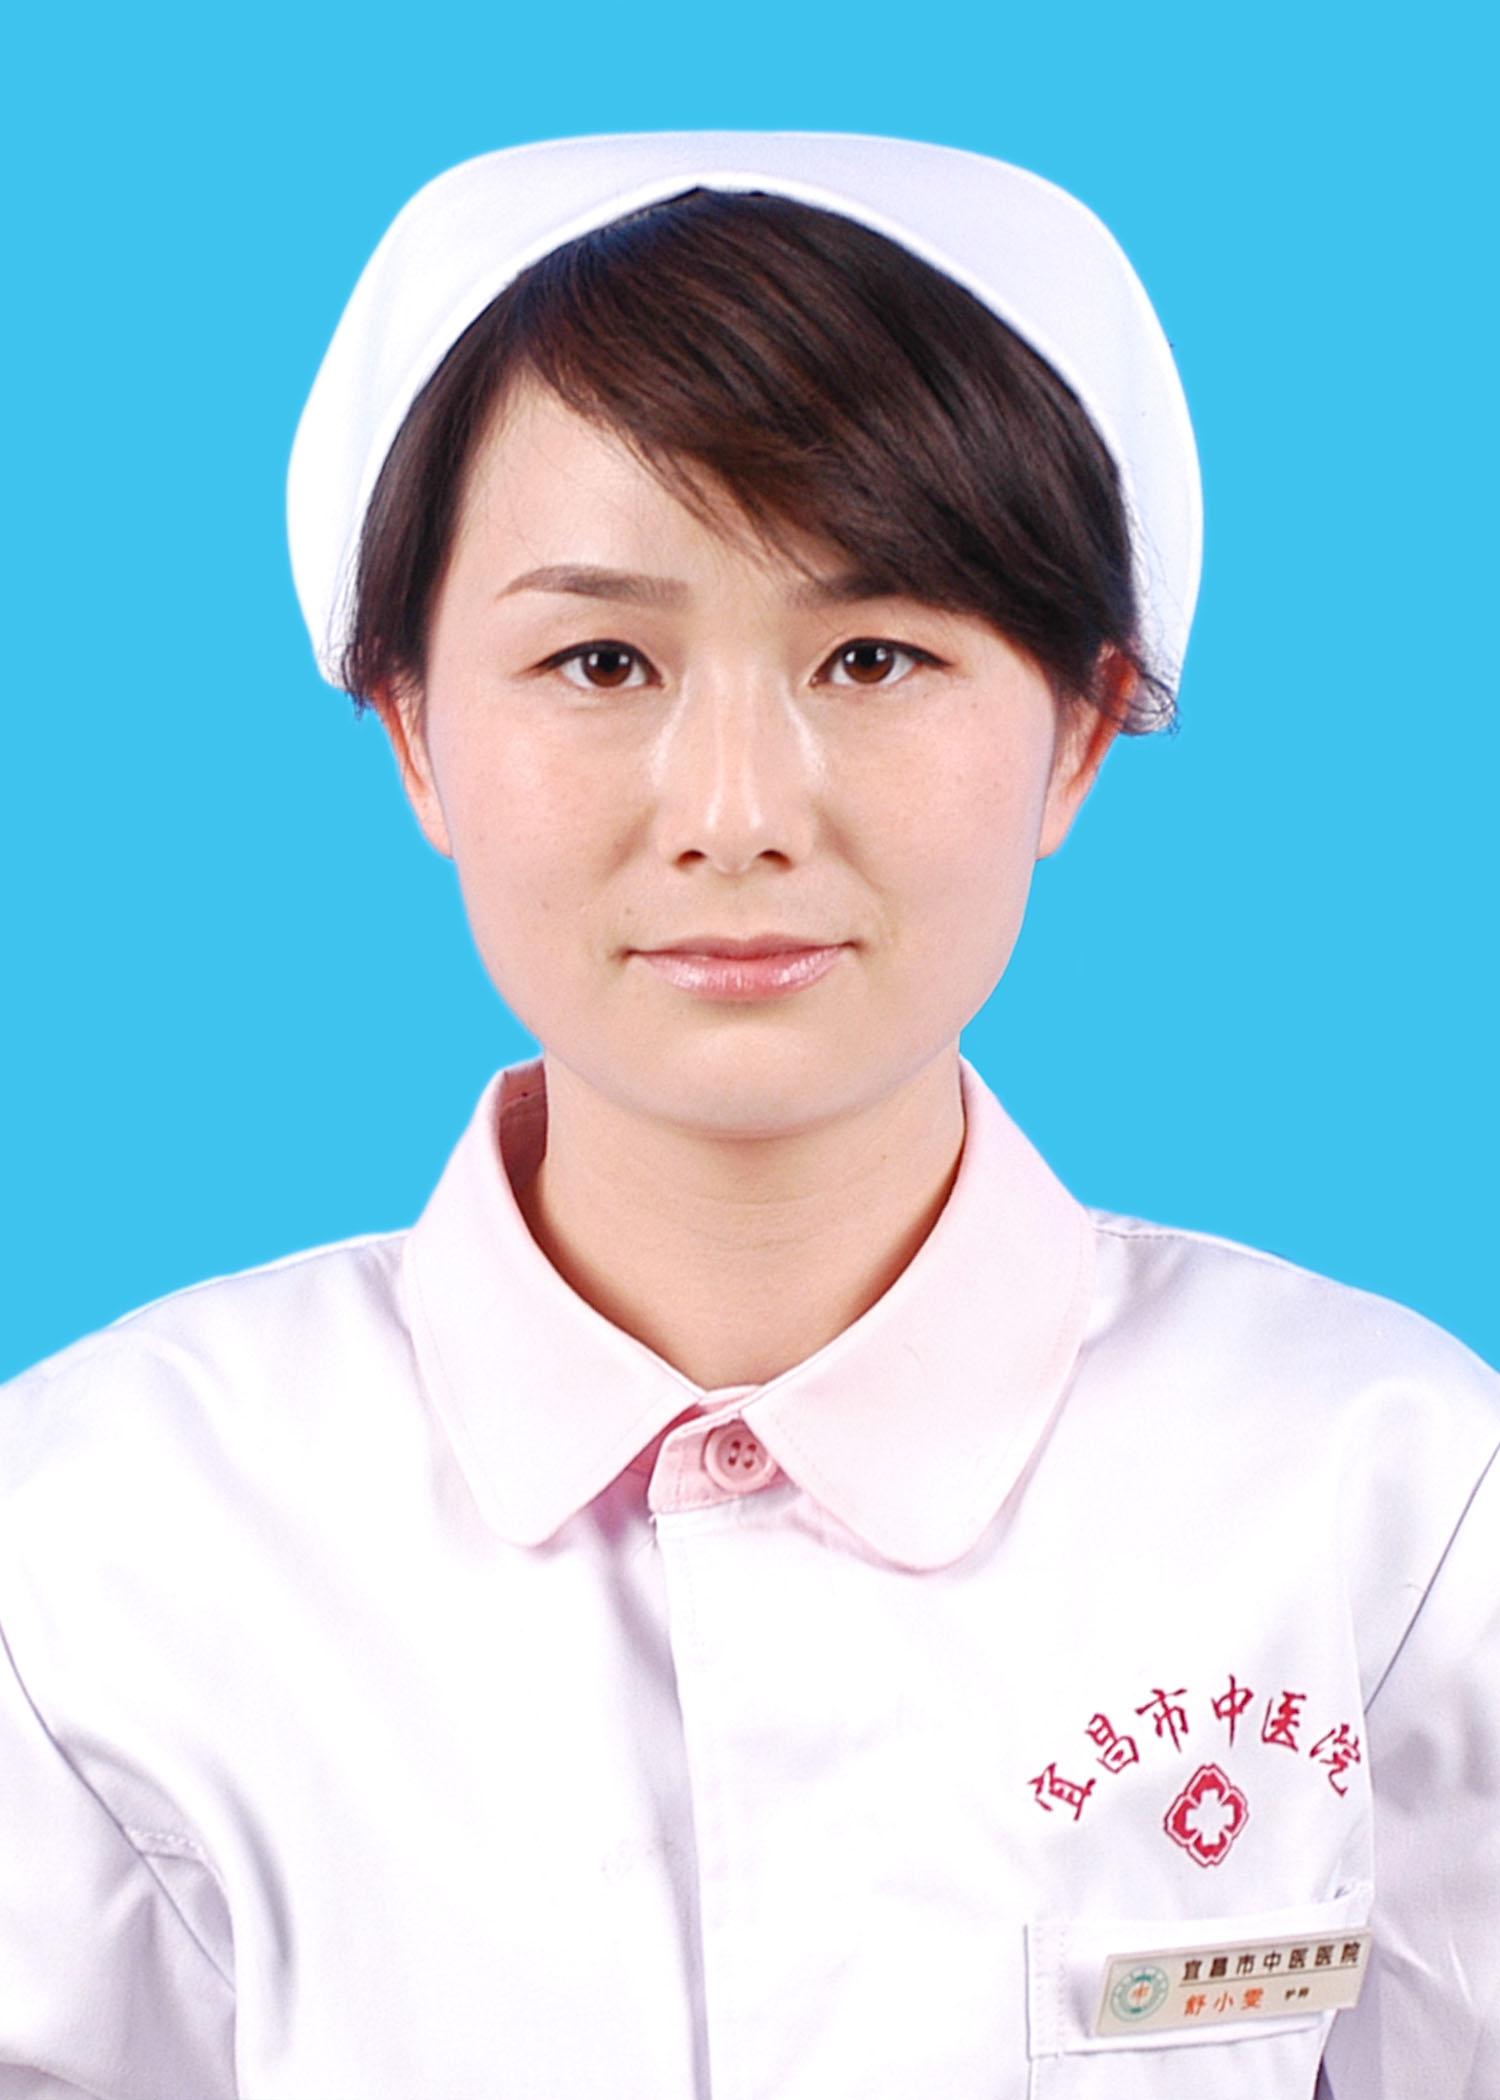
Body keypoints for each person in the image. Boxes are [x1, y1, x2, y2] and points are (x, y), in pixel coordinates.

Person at [0, 131, 1494, 2100]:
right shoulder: (93, 1537)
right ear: (416, 730)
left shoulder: (1395, 1500)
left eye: (873, 655)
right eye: (599, 659)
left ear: (1078, 729)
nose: (734, 810)